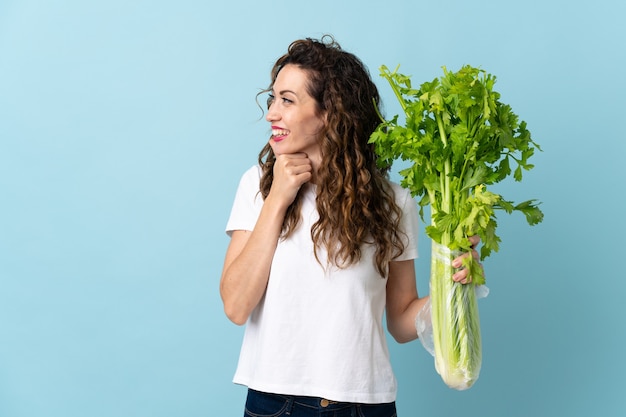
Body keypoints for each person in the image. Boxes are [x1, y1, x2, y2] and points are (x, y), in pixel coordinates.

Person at [219, 35, 481, 417]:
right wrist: (277, 200)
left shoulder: (393, 202)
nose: (271, 113)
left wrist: (454, 290)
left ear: (330, 113)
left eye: (287, 100)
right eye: (273, 98)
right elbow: (236, 306)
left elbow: (403, 321)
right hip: (277, 404)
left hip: (366, 405)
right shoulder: (256, 185)